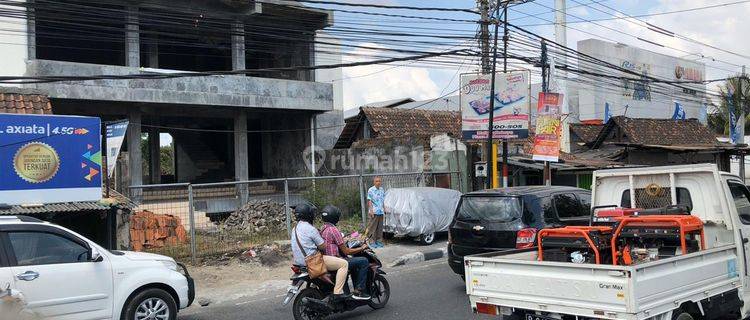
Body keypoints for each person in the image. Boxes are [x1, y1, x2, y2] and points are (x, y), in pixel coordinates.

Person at [290, 203, 349, 301]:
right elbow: (323, 246)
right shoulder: (311, 229)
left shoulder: (294, 229)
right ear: (308, 215)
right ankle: (338, 293)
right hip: (312, 261)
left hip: (298, 263)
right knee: (344, 264)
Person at [320, 205, 371, 300]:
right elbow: (346, 251)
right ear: (335, 217)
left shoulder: (323, 228)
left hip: (326, 259)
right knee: (363, 261)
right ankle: (359, 291)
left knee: (353, 262)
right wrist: (362, 248)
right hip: (334, 260)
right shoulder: (333, 229)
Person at [366, 176, 386, 248]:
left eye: (379, 181)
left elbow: (382, 200)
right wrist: (371, 211)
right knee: (373, 227)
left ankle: (378, 241)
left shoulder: (382, 189)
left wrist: (384, 208)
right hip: (374, 211)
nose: (378, 182)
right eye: (377, 181)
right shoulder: (371, 190)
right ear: (374, 182)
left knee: (380, 227)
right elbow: (369, 201)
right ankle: (371, 241)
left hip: (380, 211)